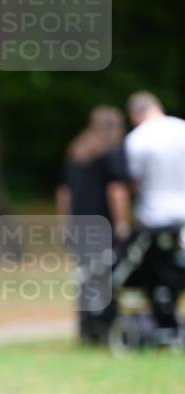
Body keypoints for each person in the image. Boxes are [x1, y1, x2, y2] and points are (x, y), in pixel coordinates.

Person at [56, 106, 132, 343]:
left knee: (86, 277)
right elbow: (116, 191)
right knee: (108, 275)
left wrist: (65, 223)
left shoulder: (77, 150)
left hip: (80, 225)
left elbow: (64, 192)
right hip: (103, 224)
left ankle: (87, 329)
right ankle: (107, 326)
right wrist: (122, 223)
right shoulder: (113, 152)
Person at [123, 92, 185, 333]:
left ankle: (162, 317)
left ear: (135, 114)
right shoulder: (181, 129)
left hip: (154, 217)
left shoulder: (137, 139)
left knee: (154, 270)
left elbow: (134, 182)